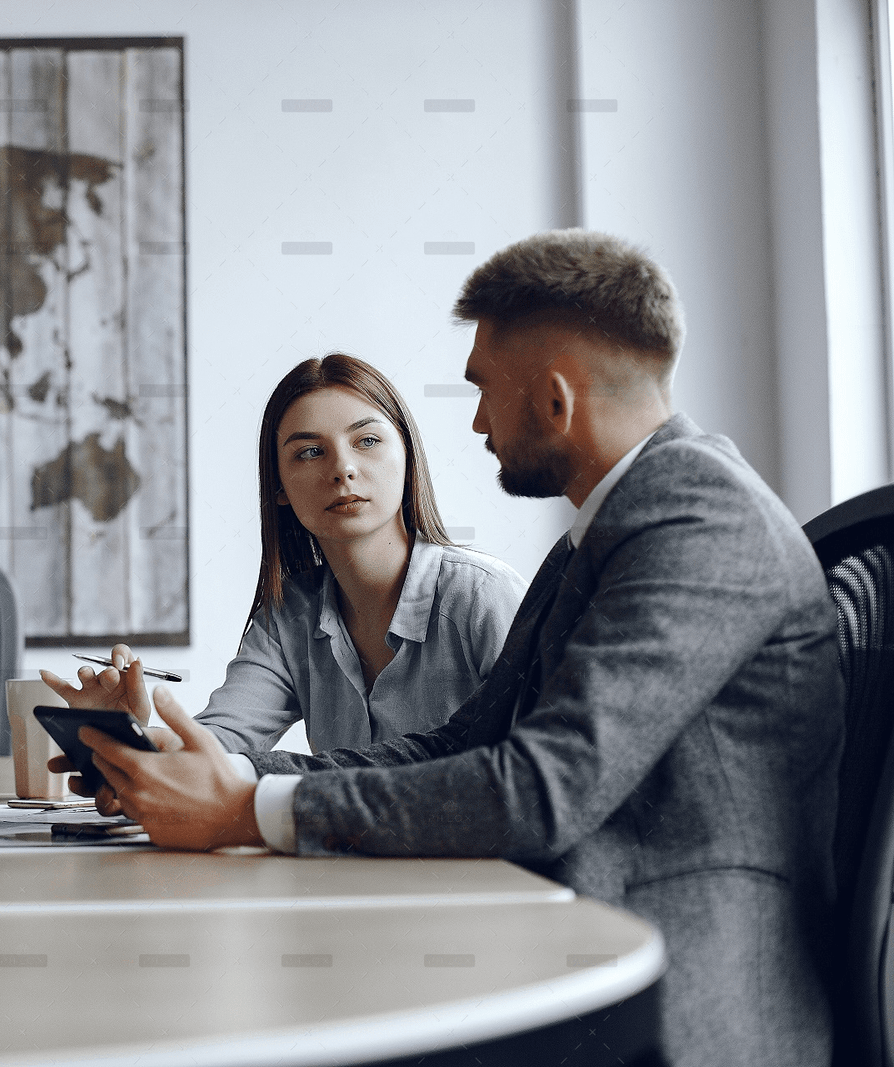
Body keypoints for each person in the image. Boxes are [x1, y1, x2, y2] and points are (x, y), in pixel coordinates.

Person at [58, 230, 844, 1067]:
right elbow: (463, 740)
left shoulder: (698, 519)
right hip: (567, 943)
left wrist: (248, 810)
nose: (472, 421)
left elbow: (541, 787)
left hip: (672, 998)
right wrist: (233, 783)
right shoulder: (606, 529)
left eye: (482, 390)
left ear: (554, 400)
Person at [45, 353, 526, 754]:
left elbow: (541, 770)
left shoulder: (481, 597)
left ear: (407, 456)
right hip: (347, 865)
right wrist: (126, 738)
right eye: (310, 452)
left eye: (368, 441)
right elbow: (219, 745)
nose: (344, 469)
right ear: (278, 486)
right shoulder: (290, 615)